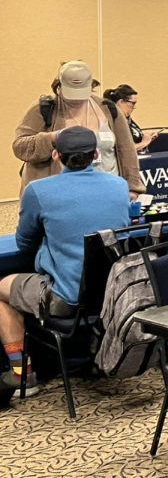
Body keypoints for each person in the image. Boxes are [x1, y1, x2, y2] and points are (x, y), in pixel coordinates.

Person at [0, 126, 130, 400]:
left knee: (1, 289)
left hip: (65, 298)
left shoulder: (38, 190)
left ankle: (23, 374)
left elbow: (24, 243)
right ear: (96, 154)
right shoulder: (119, 185)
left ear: (56, 155)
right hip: (112, 295)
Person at [13, 61, 143, 199]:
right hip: (59, 198)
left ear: (91, 86)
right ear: (58, 86)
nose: (76, 99)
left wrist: (133, 188)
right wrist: (51, 138)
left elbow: (127, 150)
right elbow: (20, 147)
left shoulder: (108, 109)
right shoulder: (43, 109)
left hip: (106, 195)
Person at [102, 84, 158, 153]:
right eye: (133, 103)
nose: (134, 107)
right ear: (121, 102)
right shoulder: (112, 121)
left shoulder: (127, 119)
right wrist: (144, 143)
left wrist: (143, 136)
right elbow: (122, 149)